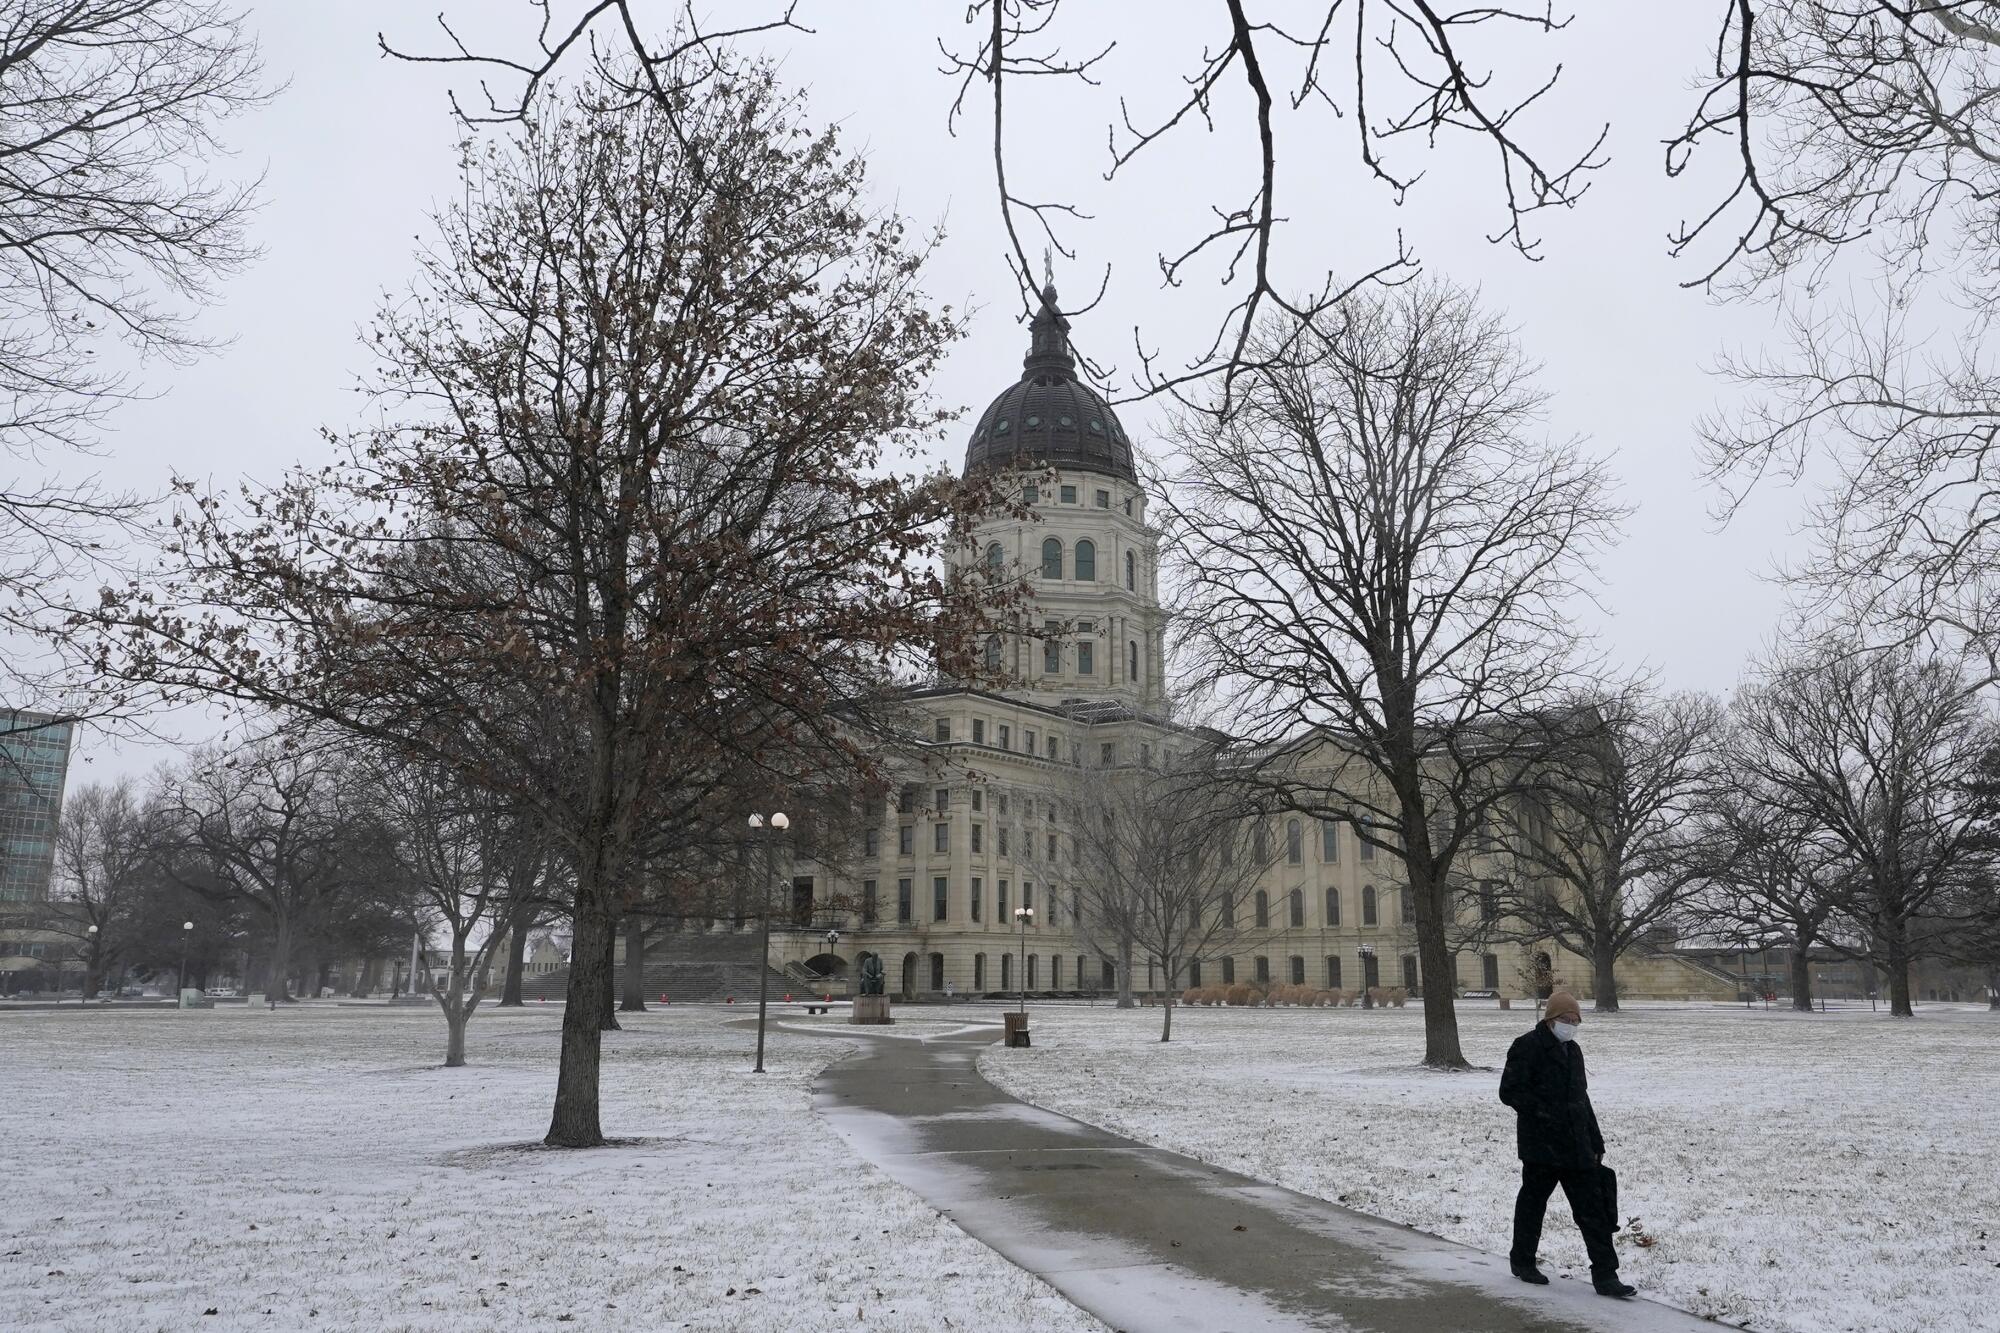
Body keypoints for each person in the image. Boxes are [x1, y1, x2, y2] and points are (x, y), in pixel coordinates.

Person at [1497, 990, 1635, 1299]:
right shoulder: (1527, 1047)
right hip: (1541, 1146)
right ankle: (1522, 1260)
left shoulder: (1573, 1051)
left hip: (1577, 1146)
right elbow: (1509, 1091)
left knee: (1593, 1211)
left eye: (1575, 1021)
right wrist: (1544, 1111)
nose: (1571, 1025)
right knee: (1533, 1205)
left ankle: (1605, 1274)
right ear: (1550, 1019)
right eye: (1565, 1020)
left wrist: (1595, 1138)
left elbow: (1581, 1099)